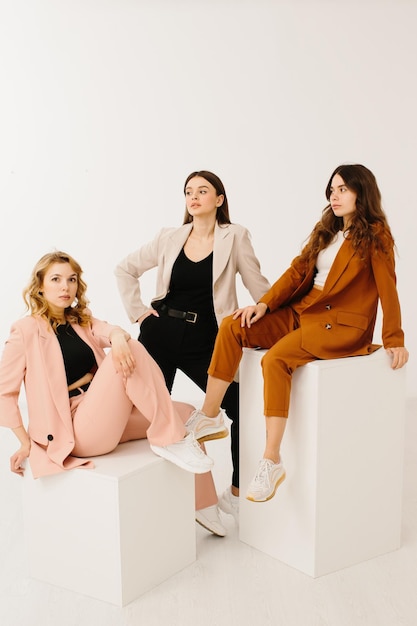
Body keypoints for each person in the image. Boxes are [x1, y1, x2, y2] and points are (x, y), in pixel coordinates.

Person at [186, 163, 409, 503]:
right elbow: (296, 273)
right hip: (301, 310)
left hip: (340, 324)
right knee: (234, 325)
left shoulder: (375, 235)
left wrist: (394, 338)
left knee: (275, 360)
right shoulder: (327, 231)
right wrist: (264, 305)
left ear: (362, 193)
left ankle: (271, 459)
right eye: (332, 190)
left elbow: (387, 287)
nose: (335, 196)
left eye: (343, 189)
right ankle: (210, 416)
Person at [115, 170, 270, 534]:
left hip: (208, 339)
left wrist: (269, 309)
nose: (194, 196)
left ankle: (232, 491)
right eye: (189, 191)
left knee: (239, 407)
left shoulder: (235, 236)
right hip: (161, 334)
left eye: (203, 190)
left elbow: (258, 286)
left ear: (219, 199)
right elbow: (124, 269)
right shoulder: (169, 237)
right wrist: (139, 312)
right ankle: (169, 501)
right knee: (147, 414)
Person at [0, 251, 214, 482]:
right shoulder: (25, 331)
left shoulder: (81, 321)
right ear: (40, 286)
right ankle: (169, 438)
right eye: (56, 279)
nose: (65, 287)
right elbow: (4, 393)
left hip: (107, 414)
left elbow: (109, 330)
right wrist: (25, 442)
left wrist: (117, 337)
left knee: (188, 416)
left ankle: (205, 511)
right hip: (75, 428)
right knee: (126, 352)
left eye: (71, 279)